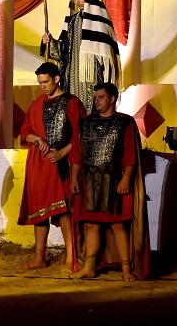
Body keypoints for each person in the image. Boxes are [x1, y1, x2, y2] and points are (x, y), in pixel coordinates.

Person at [69, 82, 151, 281]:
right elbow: (77, 154)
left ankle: (126, 268)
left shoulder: (125, 123)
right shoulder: (85, 123)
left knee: (118, 225)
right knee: (91, 225)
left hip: (114, 181)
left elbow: (130, 155)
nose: (96, 102)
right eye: (96, 98)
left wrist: (126, 179)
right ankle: (89, 266)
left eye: (101, 98)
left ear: (112, 99)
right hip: (89, 181)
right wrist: (74, 178)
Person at [17, 62, 86, 271]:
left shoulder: (72, 103)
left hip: (62, 165)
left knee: (64, 210)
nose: (42, 86)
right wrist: (37, 139)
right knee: (39, 211)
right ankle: (39, 257)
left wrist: (61, 153)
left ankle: (71, 257)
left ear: (57, 79)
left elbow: (81, 135)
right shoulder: (37, 103)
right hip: (39, 164)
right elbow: (25, 132)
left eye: (46, 82)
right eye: (40, 83)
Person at [41, 0, 120, 114]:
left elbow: (108, 55)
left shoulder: (99, 19)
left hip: (92, 76)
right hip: (72, 77)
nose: (77, 1)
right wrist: (49, 42)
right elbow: (63, 50)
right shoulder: (73, 21)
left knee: (91, 112)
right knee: (73, 113)